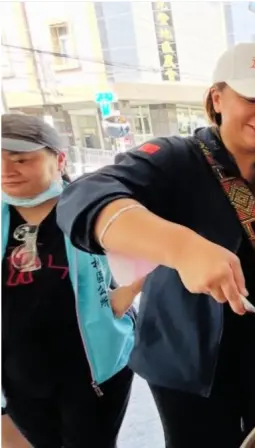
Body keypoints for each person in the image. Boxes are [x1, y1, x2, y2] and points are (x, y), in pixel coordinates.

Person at [56, 43, 255, 447]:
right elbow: (85, 197)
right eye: (251, 98)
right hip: (188, 363)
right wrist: (180, 246)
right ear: (218, 98)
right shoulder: (174, 159)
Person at [1, 113, 138, 447]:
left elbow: (154, 246)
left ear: (59, 159)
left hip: (92, 370)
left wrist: (126, 294)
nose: (7, 170)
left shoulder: (92, 208)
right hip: (18, 373)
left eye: (21, 159)